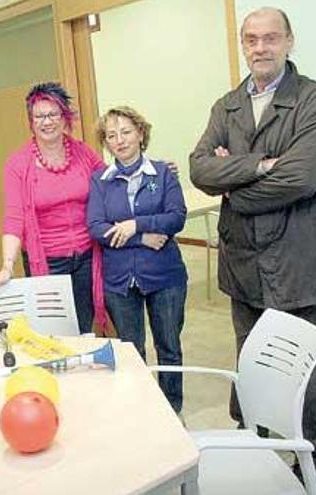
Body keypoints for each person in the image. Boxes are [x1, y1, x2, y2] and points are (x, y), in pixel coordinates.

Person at [189, 7, 316, 475]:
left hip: (301, 256)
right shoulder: (227, 105)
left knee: (307, 369)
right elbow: (199, 168)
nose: (261, 47)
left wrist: (233, 183)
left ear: (289, 41)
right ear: (243, 45)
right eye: (252, 39)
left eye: (271, 38)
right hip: (244, 259)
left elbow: (304, 176)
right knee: (249, 359)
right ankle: (249, 442)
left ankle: (311, 456)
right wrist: (260, 164)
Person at [0, 82, 106, 334]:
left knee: (83, 327)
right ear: (31, 121)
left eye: (53, 114)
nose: (46, 122)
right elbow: (14, 218)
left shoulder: (82, 153)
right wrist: (7, 265)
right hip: (48, 261)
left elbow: (111, 182)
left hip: (86, 256)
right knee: (56, 329)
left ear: (64, 117)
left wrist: (152, 171)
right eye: (39, 116)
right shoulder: (18, 164)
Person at [87, 106, 187, 413]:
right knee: (131, 351)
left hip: (164, 276)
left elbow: (175, 217)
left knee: (168, 347)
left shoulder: (162, 173)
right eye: (111, 135)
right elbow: (96, 227)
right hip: (119, 279)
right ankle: (142, 411)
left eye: (126, 132)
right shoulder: (100, 180)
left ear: (141, 134)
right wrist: (141, 235)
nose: (120, 140)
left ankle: (171, 410)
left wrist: (134, 224)